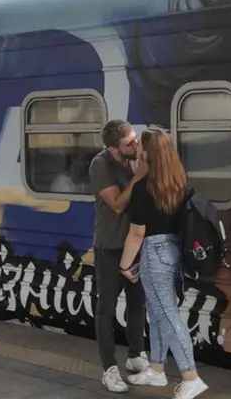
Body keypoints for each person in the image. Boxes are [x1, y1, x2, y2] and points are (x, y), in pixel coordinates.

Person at [119, 126, 208, 399]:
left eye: (141, 147)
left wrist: (124, 265)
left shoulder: (144, 188)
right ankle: (157, 369)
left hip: (154, 253)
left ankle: (191, 377)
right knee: (157, 312)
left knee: (167, 315)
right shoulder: (180, 180)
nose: (138, 151)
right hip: (173, 250)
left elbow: (137, 233)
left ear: (149, 152)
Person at [89, 119, 150, 393]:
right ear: (115, 148)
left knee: (137, 302)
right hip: (110, 247)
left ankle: (136, 354)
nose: (136, 144)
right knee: (107, 307)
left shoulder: (134, 159)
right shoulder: (101, 165)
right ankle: (109, 369)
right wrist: (138, 177)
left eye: (135, 138)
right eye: (129, 142)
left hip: (134, 248)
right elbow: (116, 205)